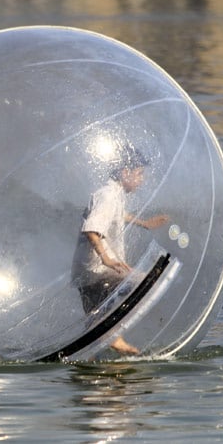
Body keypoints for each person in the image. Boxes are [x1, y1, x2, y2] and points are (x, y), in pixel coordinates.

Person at [72, 145, 168, 355]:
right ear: (125, 172)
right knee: (145, 281)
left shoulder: (114, 194)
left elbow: (118, 214)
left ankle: (109, 340)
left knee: (98, 316)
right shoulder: (107, 195)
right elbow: (91, 229)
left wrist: (144, 223)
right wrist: (106, 258)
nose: (142, 180)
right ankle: (110, 337)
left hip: (90, 272)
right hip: (97, 271)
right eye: (139, 174)